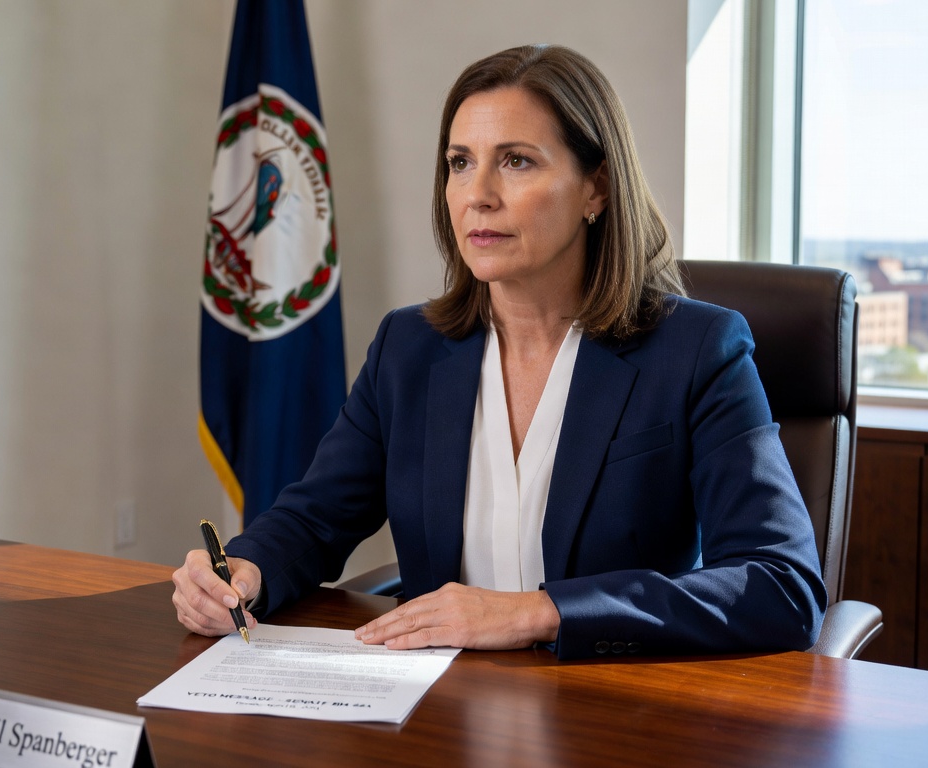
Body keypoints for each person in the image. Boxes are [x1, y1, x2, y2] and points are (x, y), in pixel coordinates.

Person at [172, 44, 826, 660]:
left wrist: (538, 613)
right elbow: (315, 518)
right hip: (438, 707)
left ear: (596, 188)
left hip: (616, 709)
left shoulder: (696, 352)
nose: (477, 192)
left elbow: (781, 587)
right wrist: (242, 569)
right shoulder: (410, 349)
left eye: (516, 160)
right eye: (460, 162)